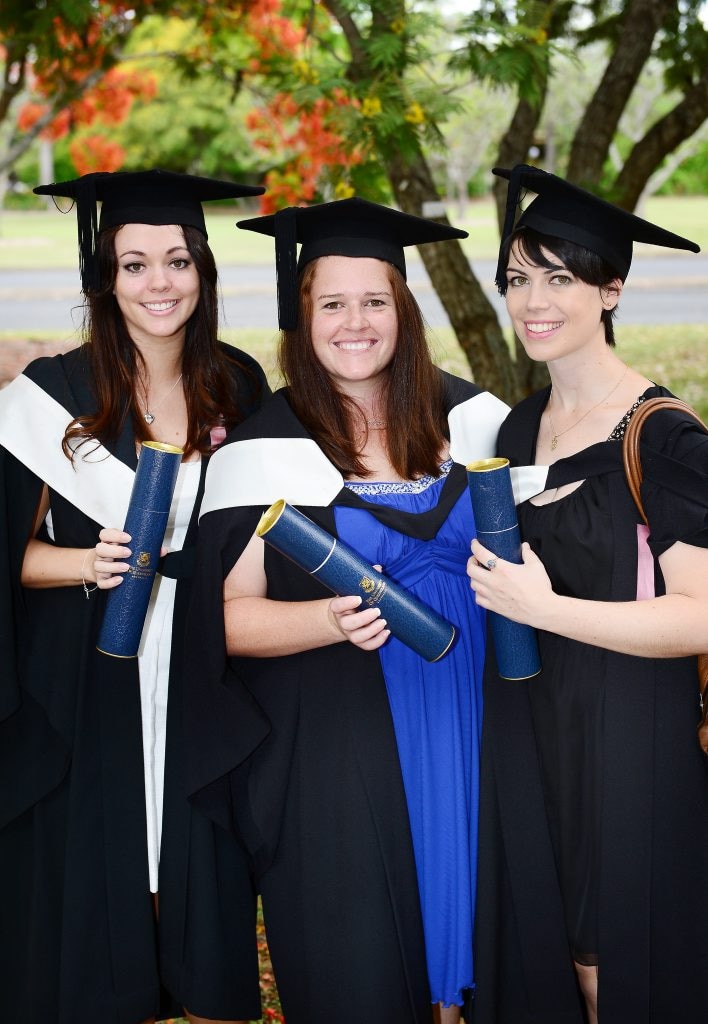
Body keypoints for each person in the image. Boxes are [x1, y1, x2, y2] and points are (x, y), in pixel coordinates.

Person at [182, 197, 511, 1024]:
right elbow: (221, 623)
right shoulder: (264, 448)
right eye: (332, 303)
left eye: (375, 301)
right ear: (303, 318)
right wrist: (325, 621)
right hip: (341, 757)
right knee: (364, 971)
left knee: (493, 954)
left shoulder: (474, 420)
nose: (354, 322)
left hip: (479, 731)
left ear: (404, 308)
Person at [0, 169, 271, 1024]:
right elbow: (13, 554)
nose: (160, 283)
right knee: (100, 873)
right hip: (91, 674)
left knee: (196, 862)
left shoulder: (239, 384)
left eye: (179, 260)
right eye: (135, 264)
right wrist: (89, 565)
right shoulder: (54, 396)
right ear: (105, 279)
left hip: (199, 668)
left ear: (204, 271)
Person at [467, 164, 708, 1024]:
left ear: (611, 290)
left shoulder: (665, 436)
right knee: (553, 960)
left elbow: (699, 615)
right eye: (518, 278)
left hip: (628, 730)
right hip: (534, 725)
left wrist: (543, 609)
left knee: (615, 964)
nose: (533, 300)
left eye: (560, 278)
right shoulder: (515, 426)